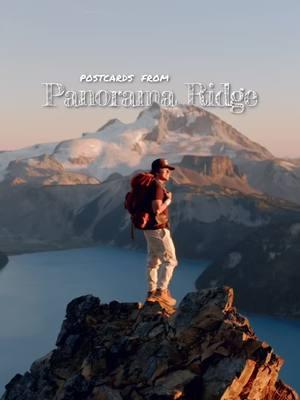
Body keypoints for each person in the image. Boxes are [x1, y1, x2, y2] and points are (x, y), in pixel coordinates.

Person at [143, 158, 178, 306]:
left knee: (154, 260)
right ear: (158, 172)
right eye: (165, 170)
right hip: (158, 229)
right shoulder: (157, 186)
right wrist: (168, 201)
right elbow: (157, 209)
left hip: (149, 229)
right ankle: (161, 292)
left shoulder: (149, 184)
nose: (168, 172)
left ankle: (151, 292)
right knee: (170, 261)